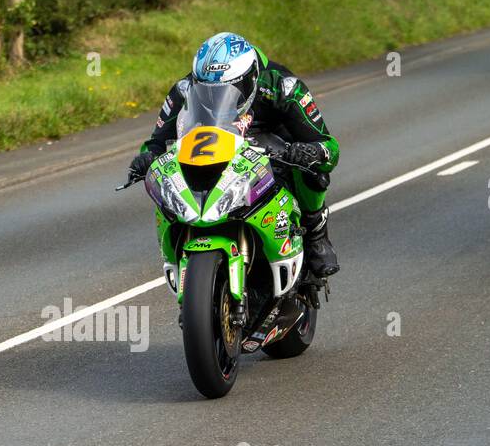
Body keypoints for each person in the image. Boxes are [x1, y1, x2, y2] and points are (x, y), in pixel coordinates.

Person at [128, 31, 341, 278]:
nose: (217, 96)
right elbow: (155, 142)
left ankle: (315, 232)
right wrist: (147, 159)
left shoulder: (282, 85)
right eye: (208, 90)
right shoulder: (185, 88)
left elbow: (328, 145)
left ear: (250, 77)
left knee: (312, 168)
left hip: (275, 146)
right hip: (217, 148)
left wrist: (312, 151)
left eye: (229, 88)